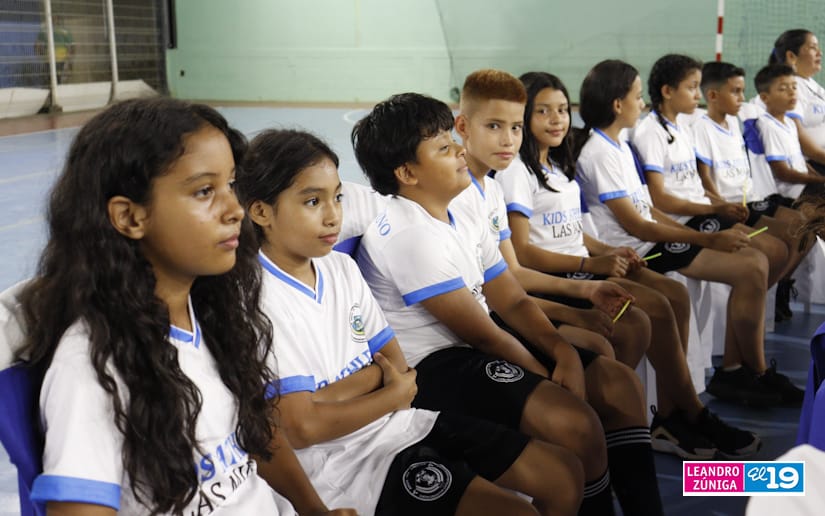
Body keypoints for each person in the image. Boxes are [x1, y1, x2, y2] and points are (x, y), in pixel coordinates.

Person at [14, 98, 352, 515]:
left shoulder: (211, 315)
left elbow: (256, 438)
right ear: (130, 217)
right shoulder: (93, 368)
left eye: (232, 185)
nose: (235, 210)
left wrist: (316, 512)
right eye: (204, 191)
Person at [237, 128, 584, 516]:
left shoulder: (339, 268)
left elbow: (397, 365)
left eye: (337, 197)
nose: (333, 215)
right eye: (313, 201)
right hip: (343, 465)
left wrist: (325, 396)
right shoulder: (258, 300)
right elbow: (303, 429)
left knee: (562, 474)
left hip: (399, 424)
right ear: (261, 212)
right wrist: (388, 391)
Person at [353, 91, 664, 515]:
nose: (459, 150)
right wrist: (544, 374)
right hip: (435, 365)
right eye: (443, 148)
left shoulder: (462, 204)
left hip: (474, 341)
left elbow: (509, 295)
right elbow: (484, 335)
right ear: (407, 173)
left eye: (452, 140)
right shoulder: (410, 236)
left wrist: (561, 351)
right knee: (576, 424)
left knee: (619, 386)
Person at [494, 68, 760, 460]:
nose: (556, 119)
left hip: (583, 263)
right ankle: (677, 413)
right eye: (543, 111)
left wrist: (606, 252)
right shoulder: (518, 172)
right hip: (556, 275)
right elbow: (524, 252)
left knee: (671, 295)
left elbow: (572, 230)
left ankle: (670, 413)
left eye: (562, 110)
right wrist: (593, 263)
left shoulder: (556, 164)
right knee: (650, 311)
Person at [576, 59, 801, 412]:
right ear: (618, 104)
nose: (642, 103)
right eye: (637, 96)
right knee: (751, 265)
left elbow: (647, 207)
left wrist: (707, 218)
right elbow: (639, 223)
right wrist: (706, 235)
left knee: (760, 258)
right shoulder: (603, 151)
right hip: (641, 247)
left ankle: (736, 370)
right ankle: (737, 374)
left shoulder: (619, 145)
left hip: (658, 234)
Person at [453, 69, 646, 364]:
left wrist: (588, 288)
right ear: (463, 126)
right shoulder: (458, 196)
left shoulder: (491, 189)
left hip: (506, 302)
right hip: (478, 323)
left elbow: (512, 273)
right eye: (494, 126)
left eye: (515, 128)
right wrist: (576, 300)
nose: (507, 140)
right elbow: (498, 288)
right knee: (602, 351)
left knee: (631, 328)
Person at [694, 61, 813, 322]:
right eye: (735, 91)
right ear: (712, 95)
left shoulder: (733, 122)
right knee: (781, 243)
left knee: (801, 229)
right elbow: (705, 178)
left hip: (750, 201)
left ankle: (767, 292)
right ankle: (755, 297)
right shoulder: (702, 128)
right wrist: (721, 206)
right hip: (730, 205)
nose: (741, 98)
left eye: (742, 91)